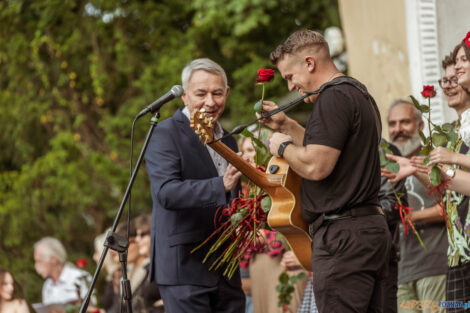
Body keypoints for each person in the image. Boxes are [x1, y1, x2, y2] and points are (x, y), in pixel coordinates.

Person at [260, 29, 390, 313]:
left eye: (290, 77)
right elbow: (328, 147)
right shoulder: (357, 93)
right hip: (368, 231)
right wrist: (288, 127)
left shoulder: (331, 98)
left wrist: (281, 147)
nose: (291, 86)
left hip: (343, 237)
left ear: (309, 63)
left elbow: (316, 165)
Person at [145, 58, 245, 313]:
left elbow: (231, 198)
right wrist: (220, 184)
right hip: (184, 269)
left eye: (217, 93)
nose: (210, 102)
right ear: (185, 95)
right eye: (201, 93)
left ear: (227, 93)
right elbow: (166, 193)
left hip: (227, 268)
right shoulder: (164, 133)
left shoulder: (230, 140)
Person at [387, 99, 448, 313]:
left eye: (405, 122)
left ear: (420, 126)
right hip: (404, 270)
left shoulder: (435, 159)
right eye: (392, 124)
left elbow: (450, 206)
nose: (398, 129)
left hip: (435, 264)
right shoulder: (389, 168)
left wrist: (411, 218)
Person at [33, 237, 94, 306]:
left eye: (39, 261)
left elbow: (94, 308)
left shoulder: (81, 277)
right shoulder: (47, 285)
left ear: (53, 259)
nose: (36, 266)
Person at [132, 214, 164, 313]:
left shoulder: (164, 267)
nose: (137, 240)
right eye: (137, 235)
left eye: (142, 235)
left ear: (155, 234)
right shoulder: (149, 268)